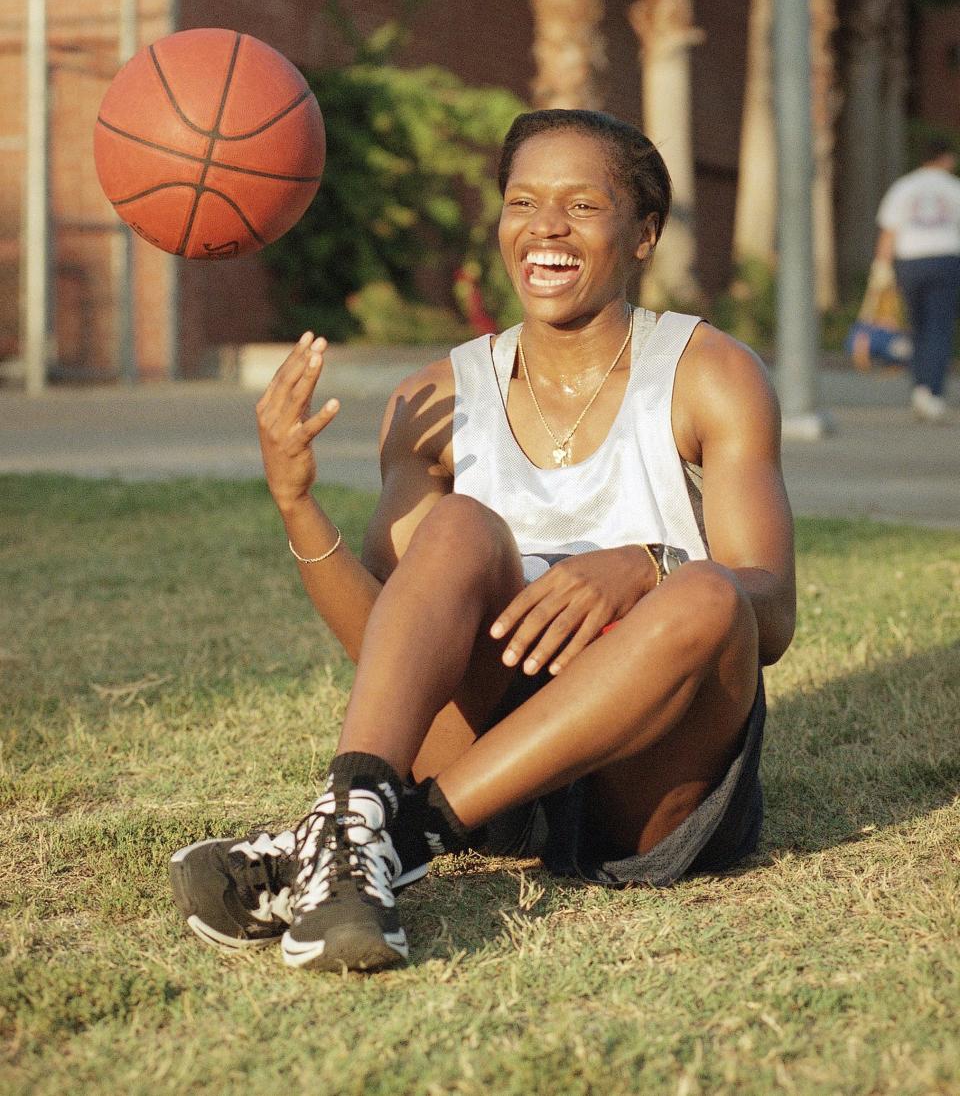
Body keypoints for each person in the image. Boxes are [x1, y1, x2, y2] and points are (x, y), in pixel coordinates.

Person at [169, 108, 796, 973]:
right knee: (462, 525)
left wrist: (647, 566)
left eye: (583, 205)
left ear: (644, 233)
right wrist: (296, 502)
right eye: (523, 202)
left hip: (651, 767)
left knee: (708, 589)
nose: (546, 227)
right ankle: (358, 826)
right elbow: (391, 648)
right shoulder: (433, 398)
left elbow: (772, 614)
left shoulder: (710, 373)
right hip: (487, 752)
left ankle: (387, 838)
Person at [873, 137, 960, 421]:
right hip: (946, 259)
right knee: (939, 327)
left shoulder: (904, 187)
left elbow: (889, 231)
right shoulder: (953, 188)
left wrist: (882, 267)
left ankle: (919, 386)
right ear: (945, 158)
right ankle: (931, 391)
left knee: (916, 326)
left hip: (910, 261)